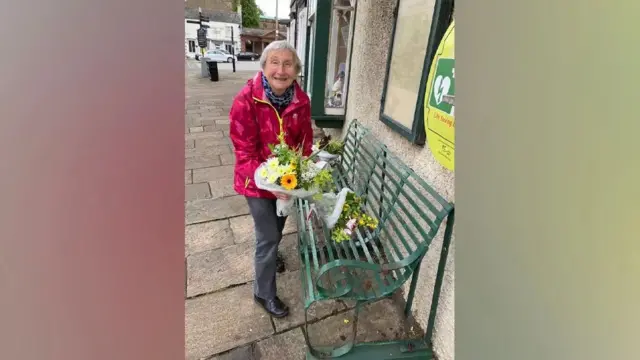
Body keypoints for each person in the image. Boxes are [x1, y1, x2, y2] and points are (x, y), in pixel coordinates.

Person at [229, 41, 313, 318]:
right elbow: (244, 150)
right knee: (267, 237)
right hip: (255, 182)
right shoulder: (246, 99)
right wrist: (272, 182)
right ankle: (263, 293)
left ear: (296, 70)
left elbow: (305, 141)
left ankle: (271, 254)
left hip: (287, 183)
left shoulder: (301, 101)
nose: (281, 70)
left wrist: (303, 172)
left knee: (276, 229)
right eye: (274, 62)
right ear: (264, 67)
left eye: (288, 64)